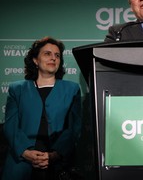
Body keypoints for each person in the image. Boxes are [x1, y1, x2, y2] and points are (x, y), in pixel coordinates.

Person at [1, 36, 82, 180]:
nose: (53, 58)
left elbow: (73, 128)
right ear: (35, 60)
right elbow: (10, 126)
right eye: (47, 54)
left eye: (57, 55)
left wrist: (56, 154)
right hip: (21, 161)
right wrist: (25, 152)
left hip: (58, 163)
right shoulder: (17, 89)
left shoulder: (72, 89)